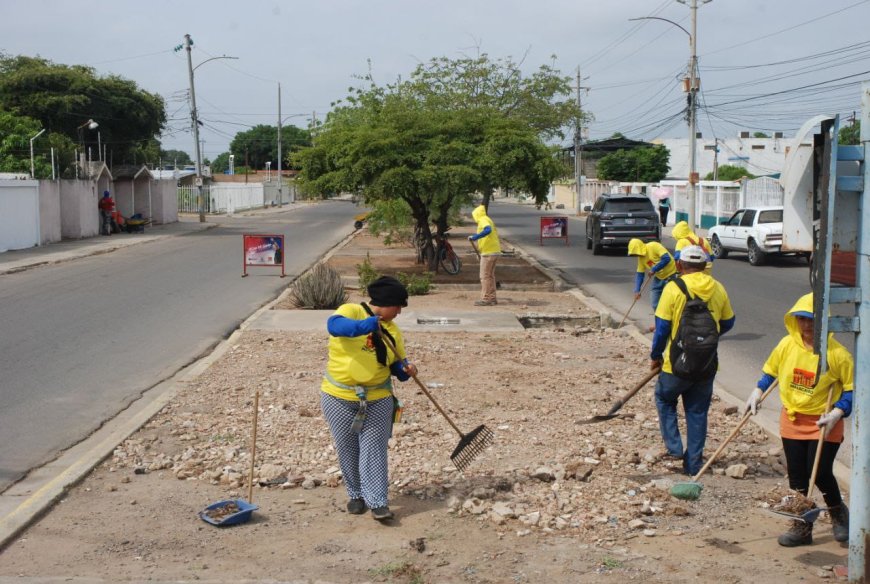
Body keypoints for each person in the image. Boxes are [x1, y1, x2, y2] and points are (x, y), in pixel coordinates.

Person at [744, 292, 852, 547]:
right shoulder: (786, 345)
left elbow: (851, 389)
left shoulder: (837, 354)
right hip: (792, 420)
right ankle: (802, 526)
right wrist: (757, 392)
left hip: (825, 422)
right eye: (802, 319)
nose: (806, 326)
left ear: (824, 322)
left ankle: (839, 514)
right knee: (797, 477)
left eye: (812, 320)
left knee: (822, 473)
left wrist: (837, 412)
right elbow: (770, 372)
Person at [320, 276, 418, 521]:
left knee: (373, 449)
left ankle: (377, 502)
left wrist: (405, 370)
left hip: (378, 397)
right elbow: (335, 327)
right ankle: (356, 495)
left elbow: (394, 363)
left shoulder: (392, 330)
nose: (399, 312)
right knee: (347, 447)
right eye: (397, 306)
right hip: (339, 396)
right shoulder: (352, 310)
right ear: (385, 303)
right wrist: (368, 325)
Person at [649, 245, 735, 476]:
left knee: (665, 399)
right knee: (697, 412)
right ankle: (693, 464)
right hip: (707, 363)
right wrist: (704, 339)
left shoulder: (673, 288)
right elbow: (728, 322)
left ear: (679, 265)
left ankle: (674, 447)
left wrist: (656, 356)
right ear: (704, 265)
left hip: (675, 364)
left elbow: (662, 329)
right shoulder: (718, 288)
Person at [627, 238, 678, 322]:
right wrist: (637, 290)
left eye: (637, 253)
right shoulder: (641, 259)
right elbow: (640, 274)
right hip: (659, 277)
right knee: (655, 303)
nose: (637, 256)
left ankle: (671, 323)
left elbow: (666, 258)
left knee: (669, 303)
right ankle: (659, 324)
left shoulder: (654, 246)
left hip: (671, 274)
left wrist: (654, 269)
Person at [469, 203, 502, 306]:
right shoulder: (488, 219)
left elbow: (488, 230)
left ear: (477, 214)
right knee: (490, 276)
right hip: (493, 251)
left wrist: (475, 237)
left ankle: (486, 299)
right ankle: (492, 298)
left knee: (484, 276)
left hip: (489, 252)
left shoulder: (483, 220)